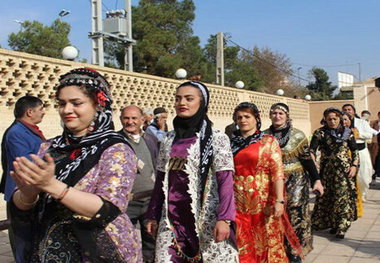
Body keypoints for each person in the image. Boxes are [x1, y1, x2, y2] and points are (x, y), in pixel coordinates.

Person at [9, 68, 142, 262]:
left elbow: (107, 208)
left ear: (98, 105)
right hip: (48, 248)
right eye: (62, 104)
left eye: (76, 103)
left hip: (97, 251)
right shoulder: (49, 147)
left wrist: (53, 186)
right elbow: (25, 205)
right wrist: (28, 194)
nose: (66, 110)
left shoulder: (115, 149)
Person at [146, 81, 238, 262]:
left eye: (189, 99)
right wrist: (152, 214)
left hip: (205, 219)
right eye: (178, 99)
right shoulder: (169, 139)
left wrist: (225, 219)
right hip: (172, 220)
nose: (182, 103)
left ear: (202, 103)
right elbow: (161, 181)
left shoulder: (217, 138)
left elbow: (225, 181)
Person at [231, 102, 303, 263]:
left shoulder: (268, 141)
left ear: (256, 119)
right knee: (243, 243)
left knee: (266, 243)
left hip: (263, 203)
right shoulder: (231, 143)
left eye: (247, 116)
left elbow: (277, 173)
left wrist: (279, 200)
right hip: (238, 202)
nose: (243, 120)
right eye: (239, 117)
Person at [264, 102, 323, 263]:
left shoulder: (298, 135)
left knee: (295, 212)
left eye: (281, 113)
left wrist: (316, 180)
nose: (277, 116)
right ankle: (277, 248)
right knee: (275, 215)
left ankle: (295, 250)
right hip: (272, 181)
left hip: (296, 179)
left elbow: (307, 161)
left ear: (287, 116)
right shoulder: (263, 136)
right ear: (270, 115)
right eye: (274, 113)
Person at [0, 96, 46, 262]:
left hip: (33, 191)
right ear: (29, 112)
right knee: (23, 241)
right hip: (20, 193)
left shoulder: (28, 129)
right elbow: (25, 162)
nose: (44, 112)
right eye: (41, 109)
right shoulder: (16, 133)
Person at [310, 107, 359, 239]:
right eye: (329, 119)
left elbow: (355, 151)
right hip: (326, 170)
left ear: (339, 119)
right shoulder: (320, 133)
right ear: (325, 120)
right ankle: (333, 223)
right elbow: (312, 150)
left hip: (344, 170)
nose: (332, 121)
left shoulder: (348, 133)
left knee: (342, 196)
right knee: (328, 196)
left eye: (335, 119)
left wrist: (354, 165)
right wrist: (314, 162)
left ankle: (342, 226)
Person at [119, 105, 158, 263]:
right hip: (127, 203)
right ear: (121, 119)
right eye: (126, 118)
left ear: (142, 120)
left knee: (151, 243)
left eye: (134, 118)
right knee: (124, 244)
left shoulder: (150, 139)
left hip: (149, 201)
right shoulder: (116, 141)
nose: (130, 122)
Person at [342, 104, 373, 201]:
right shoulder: (341, 123)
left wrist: (358, 134)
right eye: (345, 110)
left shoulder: (362, 122)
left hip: (361, 152)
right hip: (347, 152)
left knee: (364, 176)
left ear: (353, 111)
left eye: (349, 109)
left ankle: (362, 194)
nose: (347, 111)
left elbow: (369, 135)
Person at [342, 112, 363, 218]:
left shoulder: (352, 132)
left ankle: (354, 210)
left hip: (351, 160)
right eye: (342, 119)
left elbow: (354, 150)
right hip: (339, 164)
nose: (344, 122)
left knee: (352, 187)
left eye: (346, 119)